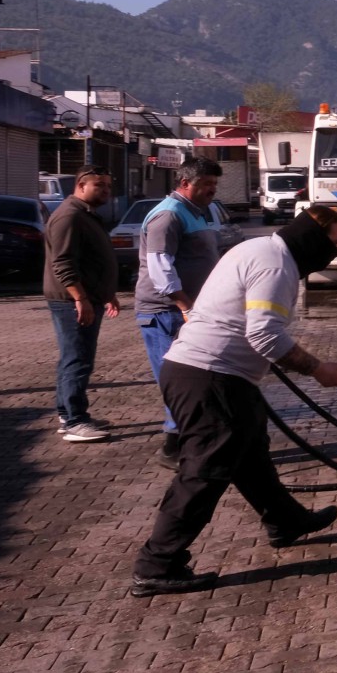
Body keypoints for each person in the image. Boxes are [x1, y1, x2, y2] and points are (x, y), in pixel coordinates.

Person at [130, 205, 337, 597]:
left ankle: (286, 521)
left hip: (214, 374)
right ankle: (157, 564)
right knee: (204, 471)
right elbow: (264, 335)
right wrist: (318, 369)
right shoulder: (276, 266)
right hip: (209, 377)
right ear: (312, 239)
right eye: (333, 244)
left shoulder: (261, 249)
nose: (334, 252)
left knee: (250, 453)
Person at [134, 157, 225, 468]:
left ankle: (189, 441)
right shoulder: (168, 216)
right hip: (166, 312)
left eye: (214, 184)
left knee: (195, 379)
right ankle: (174, 448)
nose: (212, 190)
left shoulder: (200, 212)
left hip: (191, 309)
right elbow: (161, 269)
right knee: (179, 381)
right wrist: (185, 306)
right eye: (206, 185)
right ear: (185, 184)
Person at [44, 166, 121, 442]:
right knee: (78, 359)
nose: (106, 191)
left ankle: (68, 414)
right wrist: (81, 299)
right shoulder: (69, 216)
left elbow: (93, 260)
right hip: (71, 302)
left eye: (108, 186)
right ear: (81, 185)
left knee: (73, 358)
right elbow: (63, 263)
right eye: (99, 186)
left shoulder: (86, 214)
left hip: (87, 298)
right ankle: (75, 420)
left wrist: (107, 293)